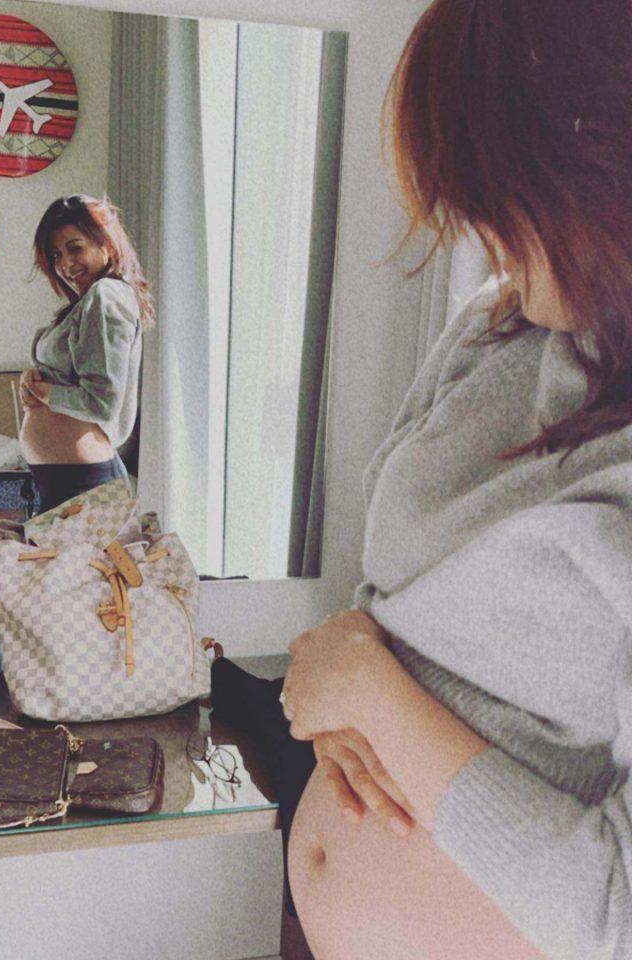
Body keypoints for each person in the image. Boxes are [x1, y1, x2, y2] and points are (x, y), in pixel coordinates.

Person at [280, 1, 632, 958]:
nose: (473, 225)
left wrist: (369, 695)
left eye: (497, 187)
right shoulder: (495, 325)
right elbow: (392, 602)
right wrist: (332, 671)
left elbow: (618, 913)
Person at [18, 194, 155, 514]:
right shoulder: (87, 302)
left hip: (84, 484)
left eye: (75, 248)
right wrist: (35, 381)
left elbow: (101, 402)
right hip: (71, 481)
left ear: (107, 245)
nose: (65, 264)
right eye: (56, 254)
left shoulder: (105, 296)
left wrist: (45, 392)